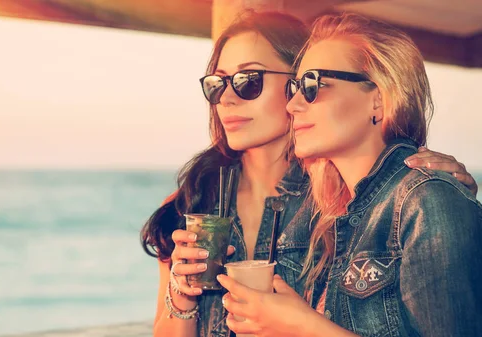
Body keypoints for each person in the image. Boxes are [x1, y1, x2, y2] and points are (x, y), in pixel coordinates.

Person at [140, 11, 479, 337]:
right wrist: (180, 295)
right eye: (217, 84)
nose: (226, 98)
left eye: (248, 80)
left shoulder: (341, 204)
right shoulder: (194, 200)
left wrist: (443, 194)